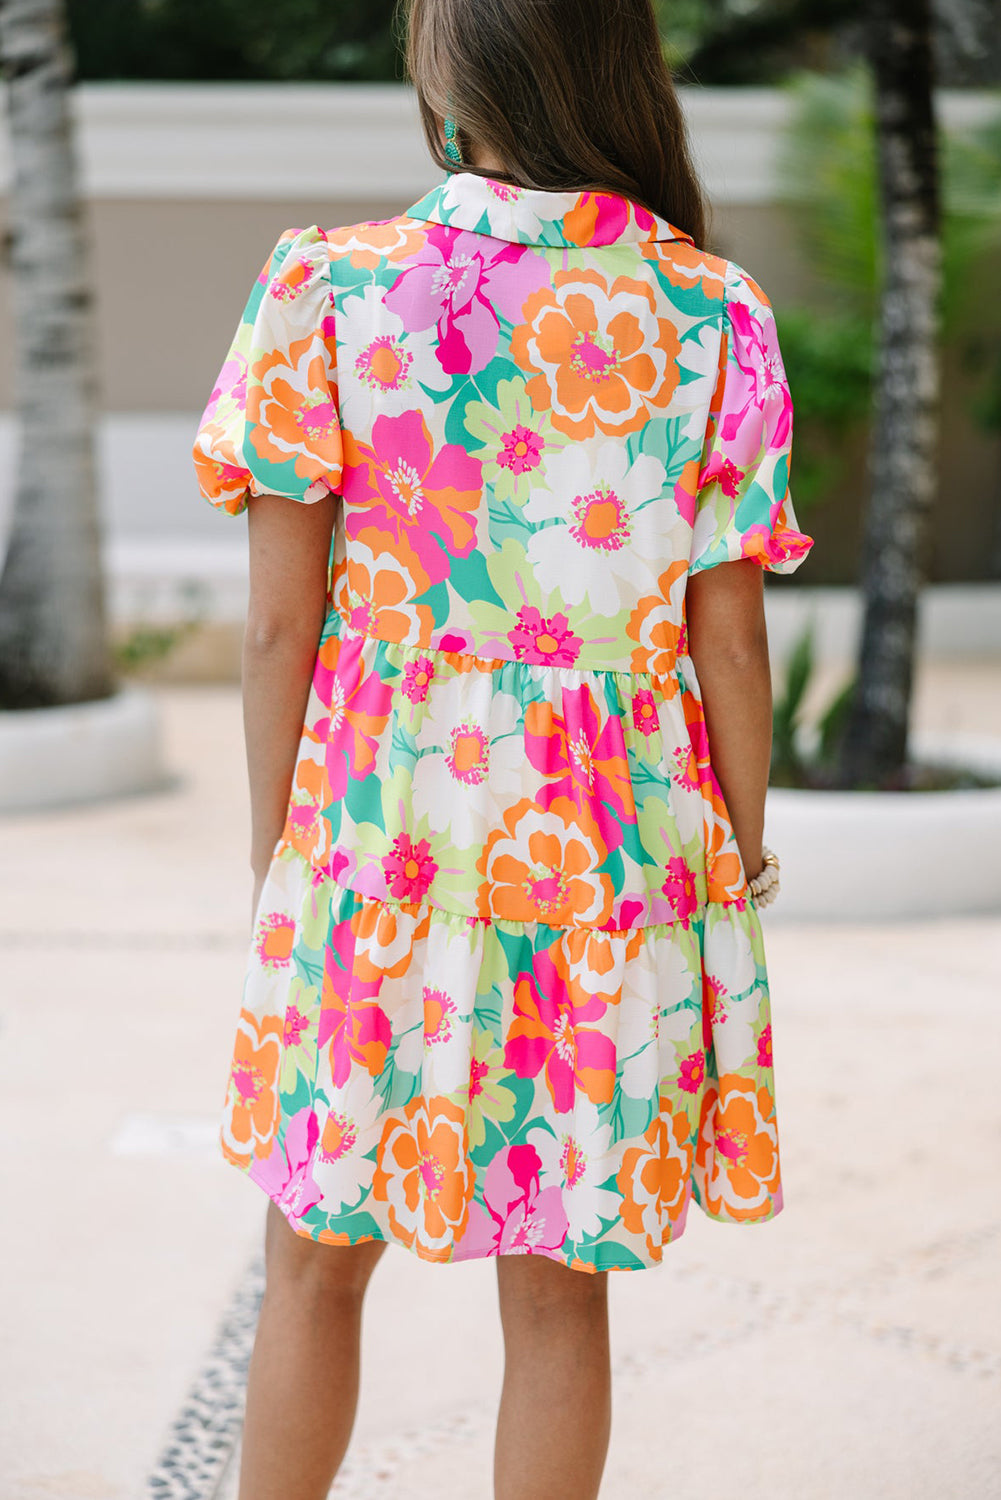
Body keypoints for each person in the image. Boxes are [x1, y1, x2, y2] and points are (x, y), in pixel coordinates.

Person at [192, 1, 814, 1495]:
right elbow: (729, 645)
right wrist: (734, 854)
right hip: (607, 856)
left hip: (374, 832)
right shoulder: (709, 310)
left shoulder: (326, 289)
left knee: (310, 1258)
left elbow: (279, 632)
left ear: (446, 73)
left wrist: (284, 856)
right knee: (556, 1285)